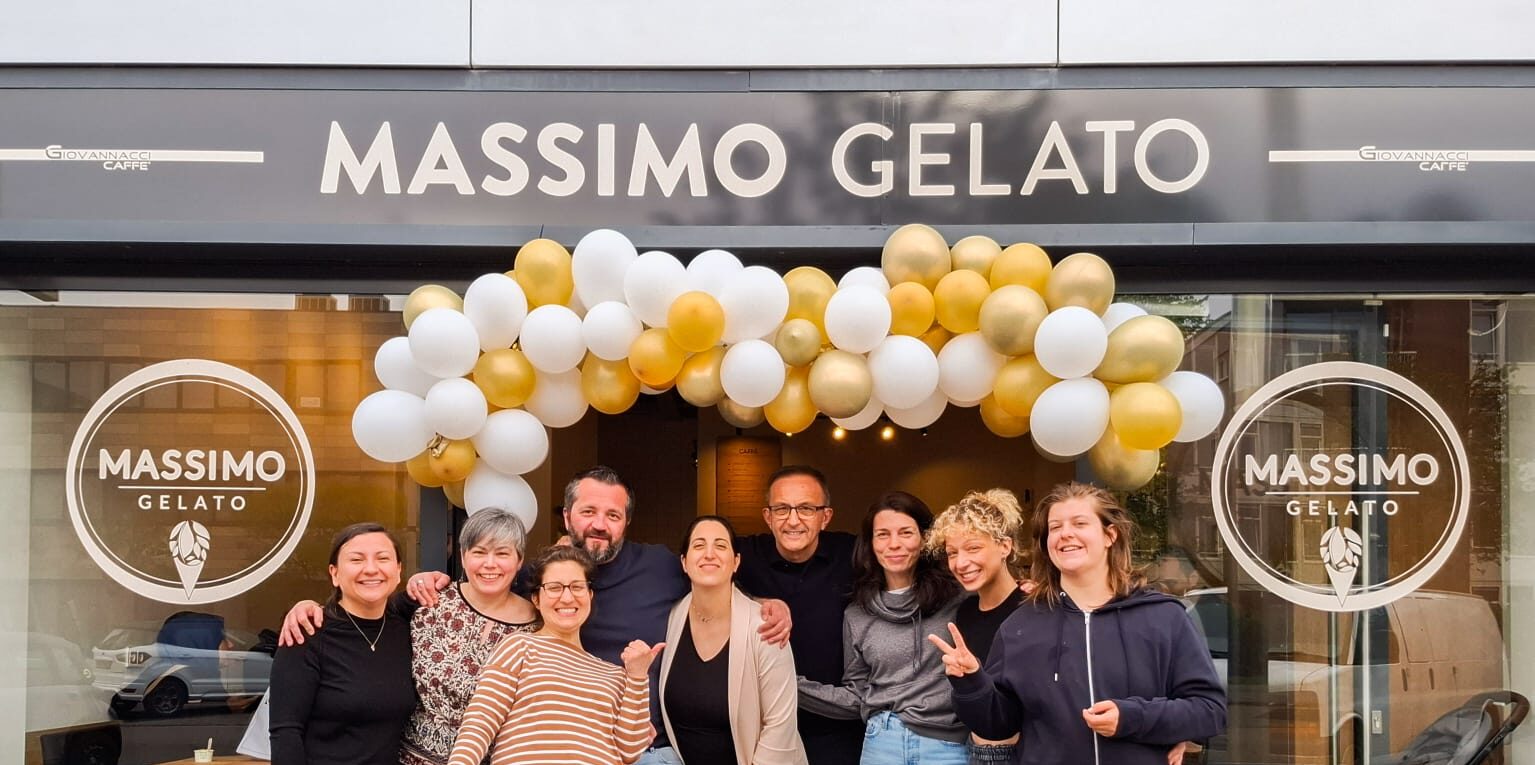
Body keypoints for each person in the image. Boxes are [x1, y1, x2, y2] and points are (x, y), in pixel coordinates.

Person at [402, 465, 793, 765]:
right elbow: (488, 583)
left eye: (613, 515)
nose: (599, 525)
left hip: (648, 749)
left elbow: (712, 580)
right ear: (567, 516)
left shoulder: (660, 567)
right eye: (588, 511)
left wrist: (764, 603)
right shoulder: (535, 582)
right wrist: (429, 584)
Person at [930, 482, 1227, 765]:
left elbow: (1209, 711)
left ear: (1110, 535)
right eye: (1055, 527)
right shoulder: (1019, 626)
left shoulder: (1164, 617)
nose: (1065, 534)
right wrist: (971, 682)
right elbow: (998, 724)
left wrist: (1132, 718)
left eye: (1079, 523)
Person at [279, 509, 539, 765]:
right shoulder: (429, 602)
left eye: (502, 553)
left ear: (519, 561)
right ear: (463, 556)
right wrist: (307, 607)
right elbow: (362, 612)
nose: (490, 564)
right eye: (479, 552)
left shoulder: (539, 626)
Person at [448, 545, 660, 765]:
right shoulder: (520, 647)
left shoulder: (615, 675)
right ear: (536, 599)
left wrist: (637, 676)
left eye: (577, 587)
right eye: (554, 588)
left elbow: (630, 750)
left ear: (590, 595)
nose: (567, 598)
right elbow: (480, 723)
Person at [799, 491, 969, 765]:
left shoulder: (959, 598)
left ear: (925, 538)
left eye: (906, 533)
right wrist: (786, 685)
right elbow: (857, 695)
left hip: (947, 745)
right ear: (870, 543)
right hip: (881, 742)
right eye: (882, 535)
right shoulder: (857, 614)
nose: (894, 544)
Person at [734, 465, 861, 765]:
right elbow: (693, 574)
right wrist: (756, 601)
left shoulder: (854, 554)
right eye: (781, 509)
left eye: (806, 508)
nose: (793, 520)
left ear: (825, 517)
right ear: (768, 516)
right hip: (762, 729)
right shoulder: (745, 554)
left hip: (836, 729)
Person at [660, 515, 807, 765]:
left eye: (720, 545)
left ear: (736, 561)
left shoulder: (766, 627)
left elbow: (780, 728)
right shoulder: (673, 617)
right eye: (699, 545)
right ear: (684, 562)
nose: (709, 554)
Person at [269, 522, 416, 765]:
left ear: (398, 570)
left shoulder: (407, 628)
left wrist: (426, 579)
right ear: (334, 573)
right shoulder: (307, 633)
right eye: (356, 560)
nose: (371, 569)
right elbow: (286, 732)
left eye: (382, 558)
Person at [926, 489, 1028, 765]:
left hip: (1022, 752)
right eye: (952, 553)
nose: (961, 563)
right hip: (974, 749)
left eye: (973, 548)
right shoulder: (966, 612)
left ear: (1005, 547)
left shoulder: (1035, 609)